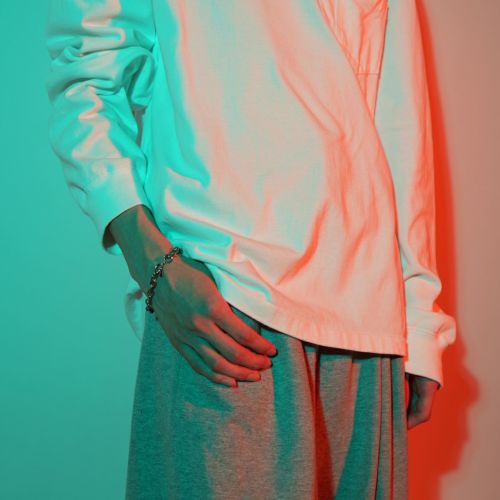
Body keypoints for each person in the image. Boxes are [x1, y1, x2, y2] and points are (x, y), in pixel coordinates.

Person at [45, 0, 457, 498]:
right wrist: (154, 264)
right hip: (229, 308)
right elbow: (88, 72)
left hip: (367, 329)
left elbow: (398, 115)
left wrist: (418, 314)